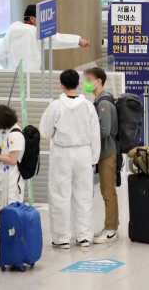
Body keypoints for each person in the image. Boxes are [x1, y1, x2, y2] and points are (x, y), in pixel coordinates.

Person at [40, 69, 101, 248]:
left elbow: (45, 132)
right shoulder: (89, 106)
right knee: (83, 196)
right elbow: (95, 134)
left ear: (61, 85)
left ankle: (62, 238)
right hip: (84, 154)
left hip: (62, 153)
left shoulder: (55, 106)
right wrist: (94, 159)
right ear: (78, 84)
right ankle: (84, 236)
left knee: (60, 195)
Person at [83, 67, 119, 244]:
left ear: (99, 81)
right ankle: (109, 226)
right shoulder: (99, 101)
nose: (86, 82)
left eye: (89, 79)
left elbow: (103, 131)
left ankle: (112, 229)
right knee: (106, 191)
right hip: (103, 152)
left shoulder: (103, 104)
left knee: (108, 191)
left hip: (107, 153)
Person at [0, 5, 90, 72]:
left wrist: (12, 69)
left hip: (13, 79)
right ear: (32, 19)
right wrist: (78, 40)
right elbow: (56, 39)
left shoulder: (11, 31)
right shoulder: (34, 32)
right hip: (31, 77)